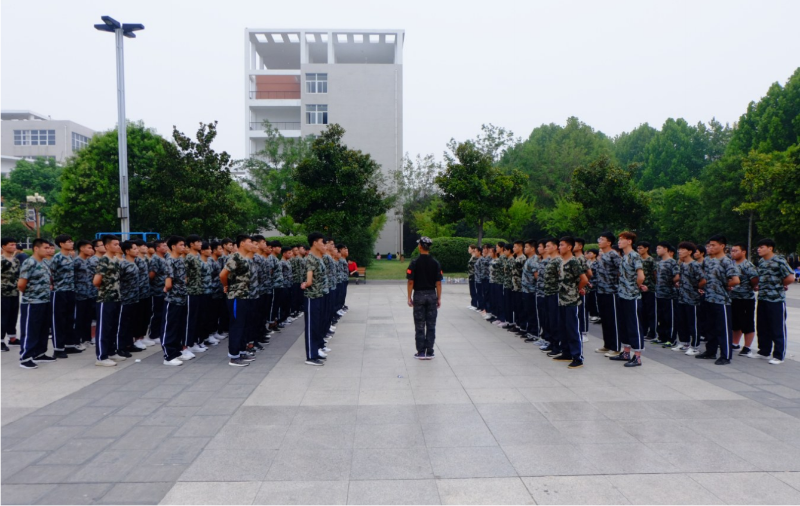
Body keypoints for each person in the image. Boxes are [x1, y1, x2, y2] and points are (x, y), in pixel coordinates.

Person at [697, 235, 740, 364]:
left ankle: (725, 356)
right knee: (710, 328)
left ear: (722, 246)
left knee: (723, 329)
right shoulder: (708, 261)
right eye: (709, 245)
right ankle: (710, 351)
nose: (711, 247)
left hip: (721, 300)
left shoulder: (726, 261)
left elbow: (736, 280)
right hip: (709, 298)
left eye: (713, 245)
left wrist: (724, 286)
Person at [753, 238, 795, 364]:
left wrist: (779, 285)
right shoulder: (761, 262)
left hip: (776, 299)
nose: (759, 250)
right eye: (758, 247)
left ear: (770, 248)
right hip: (762, 298)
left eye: (762, 247)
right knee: (762, 326)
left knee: (777, 327)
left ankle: (778, 355)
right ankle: (764, 351)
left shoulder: (779, 261)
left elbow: (790, 277)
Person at [609, 231, 646, 367]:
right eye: (619, 239)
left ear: (629, 241)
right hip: (622, 294)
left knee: (634, 325)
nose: (619, 242)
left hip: (632, 296)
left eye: (622, 239)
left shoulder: (635, 256)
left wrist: (635, 287)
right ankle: (626, 352)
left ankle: (637, 356)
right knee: (624, 324)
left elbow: (641, 276)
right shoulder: (624, 256)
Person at [220, 235, 257, 367]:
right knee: (237, 325)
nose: (252, 244)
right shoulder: (235, 257)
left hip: (244, 296)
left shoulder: (244, 258)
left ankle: (241, 351)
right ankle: (234, 356)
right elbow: (223, 274)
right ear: (242, 243)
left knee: (243, 325)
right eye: (250, 242)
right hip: (236, 296)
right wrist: (226, 286)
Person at [17, 238, 53, 369]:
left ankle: (39, 353)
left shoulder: (44, 262)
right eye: (45, 248)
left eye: (49, 248)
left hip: (45, 300)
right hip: (32, 302)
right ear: (36, 248)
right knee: (30, 330)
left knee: (43, 329)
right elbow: (21, 284)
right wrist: (31, 294)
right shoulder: (29, 262)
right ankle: (25, 357)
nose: (48, 250)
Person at [554, 236, 589, 368]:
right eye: (559, 245)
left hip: (572, 300)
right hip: (562, 299)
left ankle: (577, 357)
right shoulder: (561, 261)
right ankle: (566, 352)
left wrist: (577, 289)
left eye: (562, 245)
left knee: (573, 328)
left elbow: (584, 279)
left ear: (569, 247)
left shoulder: (574, 262)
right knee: (563, 327)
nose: (560, 247)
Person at [406, 236, 443, 360]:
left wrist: (409, 297)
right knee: (431, 325)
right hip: (431, 295)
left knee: (419, 325)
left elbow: (410, 281)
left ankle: (421, 351)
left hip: (419, 295)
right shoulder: (435, 263)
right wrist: (438, 298)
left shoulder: (414, 262)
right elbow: (438, 282)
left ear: (420, 246)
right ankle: (430, 351)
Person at [93, 235, 125, 367]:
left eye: (118, 244)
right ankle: (101, 357)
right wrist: (106, 289)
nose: (118, 246)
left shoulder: (116, 260)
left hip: (116, 297)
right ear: (107, 246)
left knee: (113, 326)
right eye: (115, 244)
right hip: (105, 299)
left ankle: (111, 352)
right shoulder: (104, 260)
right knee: (104, 328)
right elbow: (96, 281)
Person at [162, 236, 191, 365]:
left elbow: (184, 278)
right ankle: (168, 356)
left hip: (181, 298)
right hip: (173, 298)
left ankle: (176, 351)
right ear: (173, 246)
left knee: (178, 326)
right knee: (170, 327)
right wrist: (167, 289)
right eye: (181, 245)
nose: (183, 247)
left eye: (184, 245)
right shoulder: (170, 261)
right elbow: (168, 283)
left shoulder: (180, 260)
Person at [301, 232, 328, 366]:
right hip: (312, 297)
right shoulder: (310, 259)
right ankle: (311, 356)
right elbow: (309, 280)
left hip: (319, 295)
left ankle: (316, 351)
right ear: (315, 243)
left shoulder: (318, 258)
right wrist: (305, 284)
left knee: (316, 325)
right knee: (311, 326)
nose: (324, 245)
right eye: (322, 242)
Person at [594, 231, 622, 356]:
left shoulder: (613, 255)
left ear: (609, 242)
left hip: (611, 291)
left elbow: (621, 271)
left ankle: (616, 347)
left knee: (613, 320)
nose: (599, 241)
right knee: (605, 320)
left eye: (602, 239)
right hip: (601, 291)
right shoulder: (602, 255)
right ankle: (607, 345)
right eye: (599, 239)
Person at [50, 234, 77, 359]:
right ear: (61, 244)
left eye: (71, 241)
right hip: (59, 291)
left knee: (70, 318)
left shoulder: (70, 256)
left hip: (70, 290)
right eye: (68, 241)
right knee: (59, 320)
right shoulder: (57, 258)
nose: (71, 243)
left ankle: (69, 344)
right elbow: (50, 273)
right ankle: (58, 348)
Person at [675, 241, 705, 356]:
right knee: (682, 321)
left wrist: (696, 288)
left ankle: (695, 346)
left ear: (689, 252)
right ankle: (684, 342)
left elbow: (703, 280)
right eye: (679, 249)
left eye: (683, 250)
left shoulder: (695, 265)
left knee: (693, 323)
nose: (680, 251)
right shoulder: (682, 264)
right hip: (682, 297)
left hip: (692, 298)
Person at [730, 242, 758, 357]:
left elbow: (755, 278)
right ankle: (735, 343)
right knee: (735, 322)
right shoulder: (731, 264)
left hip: (746, 298)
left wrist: (751, 286)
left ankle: (747, 347)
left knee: (747, 323)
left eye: (736, 251)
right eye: (732, 251)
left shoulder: (747, 265)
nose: (733, 253)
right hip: (733, 297)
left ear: (743, 252)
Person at [184, 235, 208, 355]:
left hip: (198, 291)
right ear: (192, 244)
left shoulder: (196, 256)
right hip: (191, 292)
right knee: (190, 320)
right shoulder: (188, 257)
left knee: (198, 319)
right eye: (197, 242)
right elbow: (185, 275)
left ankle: (194, 342)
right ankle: (187, 344)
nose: (200, 244)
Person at [118, 241, 142, 358]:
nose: (137, 250)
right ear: (127, 251)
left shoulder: (134, 263)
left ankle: (129, 344)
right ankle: (120, 347)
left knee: (131, 323)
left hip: (134, 298)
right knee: (123, 324)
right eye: (134, 248)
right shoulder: (123, 264)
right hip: (125, 298)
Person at [653, 242, 679, 347]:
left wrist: (670, 283)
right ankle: (662, 337)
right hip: (660, 293)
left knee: (670, 318)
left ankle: (671, 339)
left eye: (659, 248)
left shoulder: (672, 262)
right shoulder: (660, 262)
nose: (657, 250)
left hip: (669, 294)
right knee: (661, 317)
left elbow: (677, 276)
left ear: (665, 249)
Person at [72, 240, 95, 349]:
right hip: (79, 294)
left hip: (89, 293)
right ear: (81, 248)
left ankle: (87, 339)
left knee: (88, 318)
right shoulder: (76, 262)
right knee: (79, 318)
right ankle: (76, 341)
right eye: (89, 248)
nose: (91, 250)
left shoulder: (89, 261)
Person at [542, 238, 562, 356]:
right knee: (549, 319)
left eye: (548, 246)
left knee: (555, 320)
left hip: (555, 293)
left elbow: (561, 276)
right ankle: (552, 342)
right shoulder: (550, 260)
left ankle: (557, 345)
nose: (546, 248)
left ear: (555, 247)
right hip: (548, 293)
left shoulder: (558, 260)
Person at [2, 237, 21, 351]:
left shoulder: (16, 260)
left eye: (14, 244)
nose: (14, 247)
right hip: (3, 293)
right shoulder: (1, 260)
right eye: (11, 245)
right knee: (3, 316)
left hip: (14, 291)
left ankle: (12, 337)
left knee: (13, 315)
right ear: (4, 246)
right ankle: (1, 340)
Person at [148, 240, 169, 347]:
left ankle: (159, 333)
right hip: (157, 290)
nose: (166, 247)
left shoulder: (164, 258)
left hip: (164, 290)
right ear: (157, 248)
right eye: (163, 246)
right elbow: (151, 275)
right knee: (157, 313)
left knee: (162, 313)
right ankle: (153, 334)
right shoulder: (155, 259)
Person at [637, 241, 658, 340]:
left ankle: (652, 332)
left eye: (641, 248)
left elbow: (655, 273)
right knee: (642, 311)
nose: (639, 250)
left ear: (646, 248)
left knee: (651, 312)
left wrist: (654, 285)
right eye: (638, 248)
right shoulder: (638, 260)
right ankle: (644, 331)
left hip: (650, 288)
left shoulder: (651, 260)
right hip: (640, 288)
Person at [467, 245, 478, 310]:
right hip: (470, 275)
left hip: (473, 275)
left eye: (469, 248)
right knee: (471, 290)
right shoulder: (472, 257)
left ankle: (475, 304)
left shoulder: (475, 257)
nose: (468, 250)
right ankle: (473, 303)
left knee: (473, 289)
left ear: (473, 249)